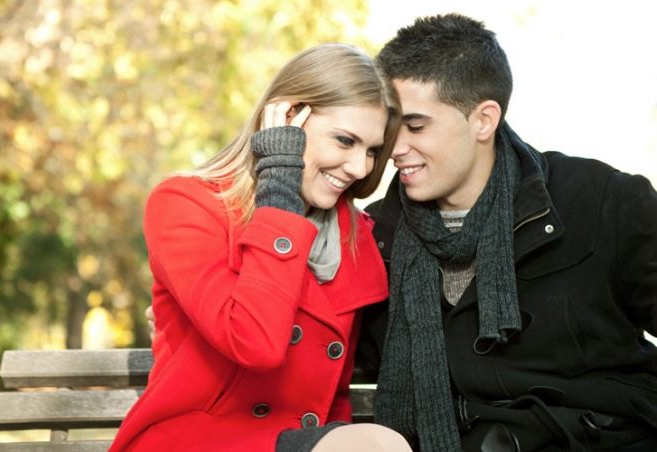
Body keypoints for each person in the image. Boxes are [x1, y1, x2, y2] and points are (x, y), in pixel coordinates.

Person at [357, 13, 657, 452]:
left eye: (417, 126)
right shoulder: (375, 234)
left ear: (484, 119)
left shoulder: (604, 202)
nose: (396, 148)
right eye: (390, 126)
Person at [110, 43, 411, 452]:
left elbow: (333, 400)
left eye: (372, 151)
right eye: (344, 141)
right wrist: (280, 183)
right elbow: (256, 343)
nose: (360, 168)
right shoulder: (186, 206)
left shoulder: (354, 239)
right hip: (194, 442)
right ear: (287, 119)